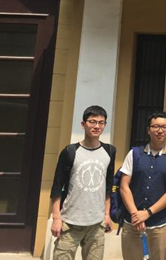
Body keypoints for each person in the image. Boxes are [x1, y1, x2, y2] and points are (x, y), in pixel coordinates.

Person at [50, 106, 116, 260]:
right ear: (83, 124)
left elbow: (108, 186)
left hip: (96, 223)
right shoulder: (70, 151)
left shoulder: (109, 151)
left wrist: (107, 215)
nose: (97, 126)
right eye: (92, 122)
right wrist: (56, 218)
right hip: (69, 222)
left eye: (101, 122)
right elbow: (57, 186)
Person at [119, 111, 166, 260]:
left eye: (164, 127)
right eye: (155, 126)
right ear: (148, 130)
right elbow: (124, 186)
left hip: (159, 226)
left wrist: (147, 213)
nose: (160, 130)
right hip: (132, 223)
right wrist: (136, 215)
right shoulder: (134, 153)